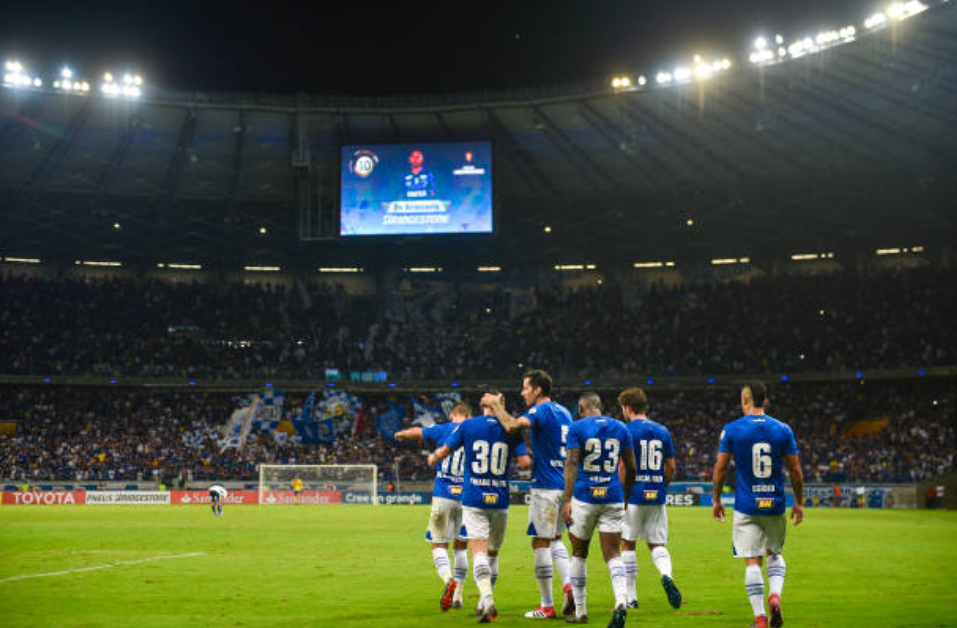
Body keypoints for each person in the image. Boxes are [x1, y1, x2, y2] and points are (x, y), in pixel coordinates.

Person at [482, 370, 575, 619]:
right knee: (556, 539)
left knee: (540, 542)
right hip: (564, 485)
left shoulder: (540, 411)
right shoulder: (565, 412)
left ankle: (547, 606)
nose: (522, 393)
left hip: (545, 486)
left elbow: (512, 425)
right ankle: (569, 587)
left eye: (525, 388)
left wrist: (495, 406)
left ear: (538, 390)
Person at [712, 382, 804, 628]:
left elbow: (720, 469)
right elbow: (795, 470)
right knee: (775, 554)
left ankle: (760, 619)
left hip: (746, 506)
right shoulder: (783, 430)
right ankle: (775, 595)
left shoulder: (732, 430)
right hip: (774, 504)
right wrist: (799, 502)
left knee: (752, 560)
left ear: (745, 400)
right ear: (766, 400)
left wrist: (716, 499)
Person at [429, 391, 523, 623]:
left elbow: (445, 451)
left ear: (482, 406)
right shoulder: (512, 429)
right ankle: (483, 602)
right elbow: (525, 461)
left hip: (474, 498)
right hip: (500, 498)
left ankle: (488, 599)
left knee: (477, 550)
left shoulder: (469, 425)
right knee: (492, 552)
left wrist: (433, 458)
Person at [561, 392, 637, 627]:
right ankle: (621, 601)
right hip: (612, 496)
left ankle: (581, 612)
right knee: (613, 554)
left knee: (579, 553)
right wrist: (625, 498)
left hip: (584, 497)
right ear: (600, 407)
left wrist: (566, 500)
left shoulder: (577, 428)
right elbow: (632, 467)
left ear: (583, 408)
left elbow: (572, 463)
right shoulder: (621, 428)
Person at [395, 402, 473, 611]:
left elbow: (418, 432)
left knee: (438, 545)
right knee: (461, 548)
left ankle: (448, 580)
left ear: (453, 415)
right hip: (467, 498)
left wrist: (402, 433)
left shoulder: (442, 429)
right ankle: (458, 597)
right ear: (469, 415)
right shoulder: (475, 431)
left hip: (443, 496)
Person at [618, 387, 682, 609]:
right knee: (657, 544)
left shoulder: (625, 430)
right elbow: (671, 465)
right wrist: (662, 485)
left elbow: (623, 467)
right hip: (656, 494)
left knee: (627, 544)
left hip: (632, 496)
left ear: (627, 408)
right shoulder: (663, 431)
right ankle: (666, 575)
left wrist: (622, 496)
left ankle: (631, 597)